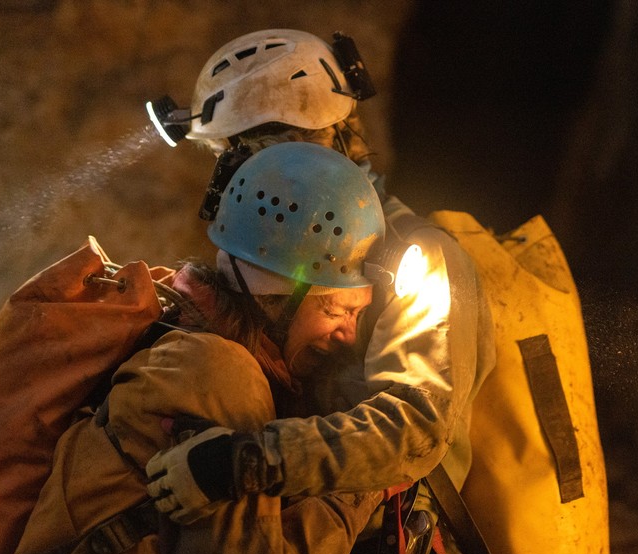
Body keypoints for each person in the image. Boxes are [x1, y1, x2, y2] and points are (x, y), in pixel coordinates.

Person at [0, 142, 390, 554]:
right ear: (276, 297)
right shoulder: (220, 372)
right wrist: (365, 473)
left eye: (357, 315)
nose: (348, 335)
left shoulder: (189, 339)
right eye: (336, 310)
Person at [145, 26, 494, 524]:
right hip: (299, 522)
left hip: (385, 545)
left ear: (311, 142)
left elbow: (415, 428)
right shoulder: (296, 245)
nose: (244, 183)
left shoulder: (419, 259)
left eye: (248, 157)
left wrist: (247, 461)